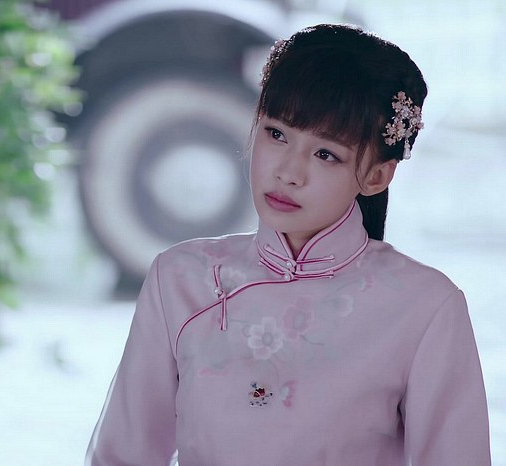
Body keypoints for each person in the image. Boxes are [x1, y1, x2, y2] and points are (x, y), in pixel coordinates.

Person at [85, 23, 490, 465]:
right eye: (276, 134)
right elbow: (121, 457)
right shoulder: (181, 279)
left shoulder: (424, 308)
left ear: (377, 176)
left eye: (325, 154)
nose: (289, 172)